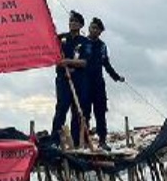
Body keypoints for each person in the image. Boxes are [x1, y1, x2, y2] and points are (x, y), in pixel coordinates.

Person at [82, 17, 125, 150]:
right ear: (89, 28)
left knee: (100, 112)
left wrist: (117, 77)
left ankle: (102, 140)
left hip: (98, 83)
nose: (94, 30)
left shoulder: (102, 46)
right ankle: (85, 140)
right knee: (85, 113)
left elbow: (106, 65)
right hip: (84, 82)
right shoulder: (83, 43)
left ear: (100, 31)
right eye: (92, 27)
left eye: (97, 28)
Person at [50, 10, 90, 147]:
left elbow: (84, 62)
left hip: (79, 79)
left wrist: (68, 62)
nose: (72, 24)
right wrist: (61, 62)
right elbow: (53, 55)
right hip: (63, 79)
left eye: (75, 22)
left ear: (80, 25)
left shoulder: (85, 42)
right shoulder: (60, 38)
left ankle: (76, 142)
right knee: (61, 108)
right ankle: (54, 141)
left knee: (77, 111)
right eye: (70, 21)